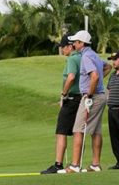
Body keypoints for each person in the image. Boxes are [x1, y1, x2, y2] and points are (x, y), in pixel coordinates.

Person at [59, 30, 111, 173]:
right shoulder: (93, 55)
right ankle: (95, 164)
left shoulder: (86, 57)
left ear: (81, 43)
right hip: (100, 95)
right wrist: (98, 83)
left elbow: (94, 76)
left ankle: (75, 165)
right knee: (96, 131)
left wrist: (89, 94)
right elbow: (108, 67)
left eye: (75, 42)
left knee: (78, 129)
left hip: (92, 97)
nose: (74, 45)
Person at [41, 35, 82, 174]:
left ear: (70, 46)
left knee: (61, 131)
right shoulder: (83, 57)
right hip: (81, 98)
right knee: (77, 131)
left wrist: (64, 94)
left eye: (63, 47)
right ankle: (75, 163)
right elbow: (104, 68)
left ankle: (58, 164)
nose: (62, 50)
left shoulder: (72, 59)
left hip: (71, 98)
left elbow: (71, 77)